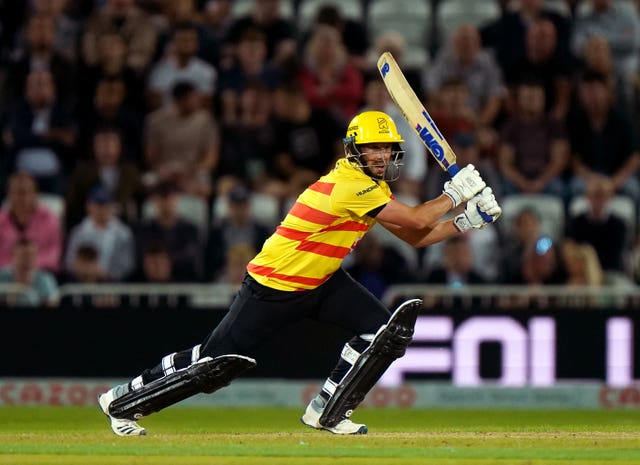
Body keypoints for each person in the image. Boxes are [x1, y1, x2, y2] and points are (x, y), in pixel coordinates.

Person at [97, 110, 501, 437]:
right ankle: (121, 401)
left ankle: (327, 412)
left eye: (386, 148)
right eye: (372, 147)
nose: (380, 155)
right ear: (354, 151)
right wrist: (455, 192)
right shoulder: (349, 185)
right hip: (273, 285)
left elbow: (414, 236)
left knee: (383, 331)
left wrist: (466, 220)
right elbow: (416, 218)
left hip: (322, 280)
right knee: (213, 366)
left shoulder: (374, 191)